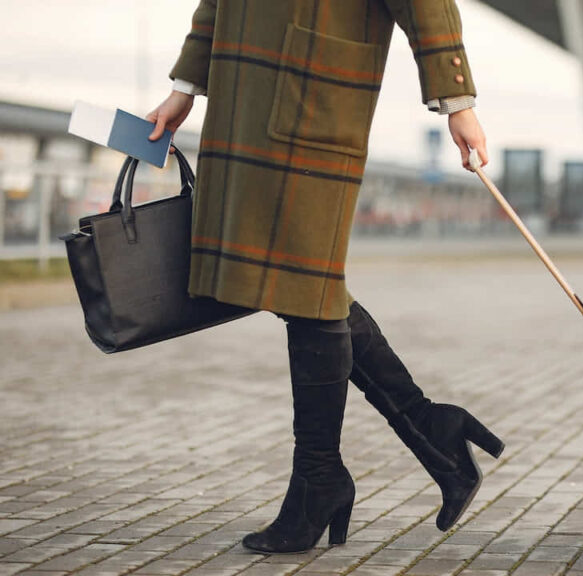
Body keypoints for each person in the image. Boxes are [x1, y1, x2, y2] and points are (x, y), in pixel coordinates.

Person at [146, 0, 504, 554]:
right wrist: (185, 85)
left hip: (315, 95)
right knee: (303, 286)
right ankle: (428, 431)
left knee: (307, 287)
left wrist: (458, 102)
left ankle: (322, 477)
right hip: (242, 96)